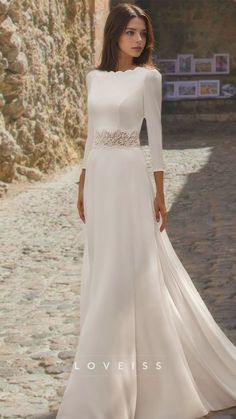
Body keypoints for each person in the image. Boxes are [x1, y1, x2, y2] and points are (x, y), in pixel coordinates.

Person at [56, 3, 236, 419]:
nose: (139, 40)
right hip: (100, 178)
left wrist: (159, 190)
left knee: (130, 271)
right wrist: (82, 183)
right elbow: (89, 135)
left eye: (143, 33)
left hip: (129, 178)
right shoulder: (94, 78)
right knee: (104, 270)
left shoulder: (148, 77)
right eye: (131, 32)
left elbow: (154, 135)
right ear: (114, 33)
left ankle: (130, 387)